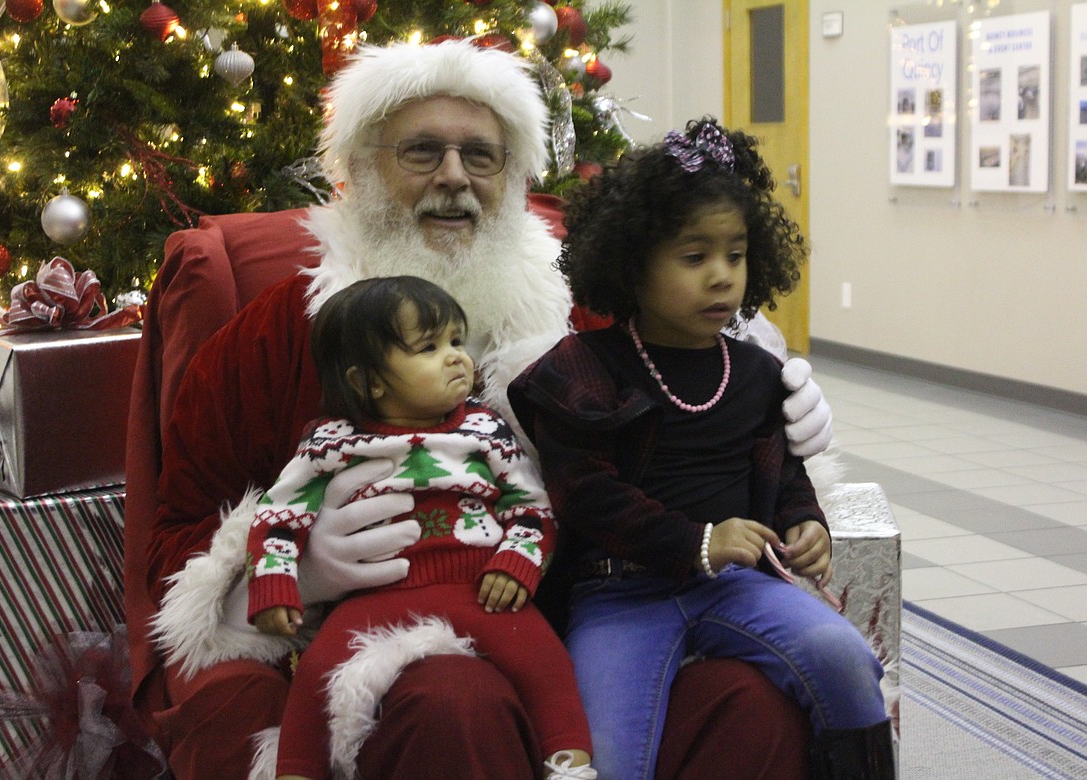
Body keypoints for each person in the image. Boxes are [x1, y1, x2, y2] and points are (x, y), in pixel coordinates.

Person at [131, 39, 833, 779]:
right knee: (452, 697)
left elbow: (702, 448)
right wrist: (295, 575)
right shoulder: (280, 332)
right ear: (364, 170)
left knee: (749, 697)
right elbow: (177, 530)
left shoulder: (592, 315)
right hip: (380, 641)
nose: (454, 180)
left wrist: (780, 437)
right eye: (423, 152)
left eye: (482, 157)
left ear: (515, 179)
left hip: (602, 616)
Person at [509, 118, 895, 780]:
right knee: (604, 755)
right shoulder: (580, 369)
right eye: (694, 258)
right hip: (619, 595)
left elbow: (786, 473)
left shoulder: (753, 372)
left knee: (845, 660)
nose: (721, 277)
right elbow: (585, 495)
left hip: (738, 588)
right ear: (631, 266)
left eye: (735, 255)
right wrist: (697, 540)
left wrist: (807, 522)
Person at [245, 276, 595, 780]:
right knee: (318, 676)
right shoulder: (331, 442)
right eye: (429, 348)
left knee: (546, 665)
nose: (456, 356)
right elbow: (279, 516)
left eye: (456, 341)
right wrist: (277, 582)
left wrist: (517, 563)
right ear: (369, 382)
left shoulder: (483, 428)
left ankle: (571, 765)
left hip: (479, 590)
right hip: (373, 596)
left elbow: (532, 506)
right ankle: (296, 770)